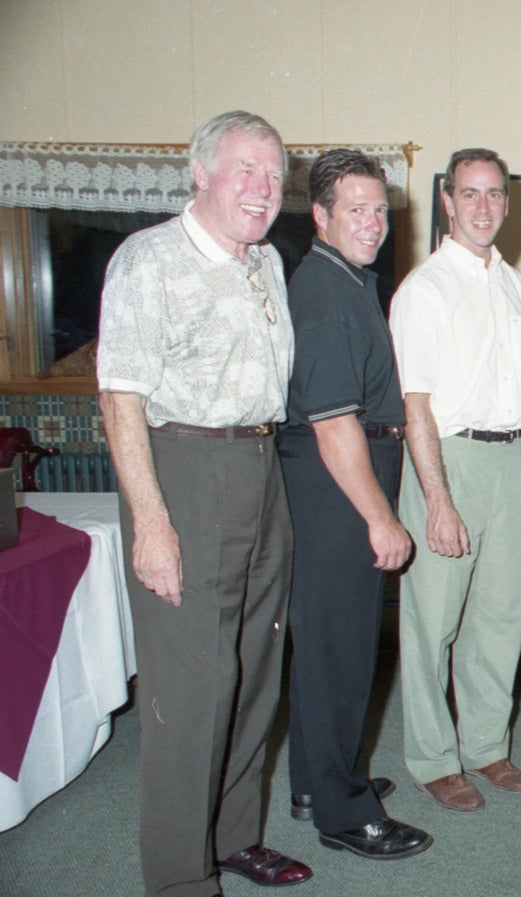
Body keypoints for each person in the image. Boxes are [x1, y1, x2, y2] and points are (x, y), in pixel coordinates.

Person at [97, 110, 313, 896]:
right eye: (245, 168)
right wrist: (152, 524)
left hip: (260, 463)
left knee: (255, 670)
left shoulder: (268, 261)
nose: (263, 187)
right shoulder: (148, 259)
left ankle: (232, 836)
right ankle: (179, 877)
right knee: (191, 689)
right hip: (184, 470)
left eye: (274, 173)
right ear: (200, 173)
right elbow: (120, 397)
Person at [278, 148, 431, 859]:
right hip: (337, 487)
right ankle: (344, 813)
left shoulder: (342, 279)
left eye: (378, 209)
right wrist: (380, 517)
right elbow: (334, 423)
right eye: (355, 210)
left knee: (326, 647)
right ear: (321, 215)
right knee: (340, 651)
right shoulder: (326, 292)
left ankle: (317, 782)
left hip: (336, 479)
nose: (372, 223)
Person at [388, 148, 521, 812]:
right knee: (433, 622)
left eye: (494, 193)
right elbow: (415, 404)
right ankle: (433, 758)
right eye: (469, 193)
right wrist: (437, 500)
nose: (483, 206)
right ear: (448, 201)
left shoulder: (518, 289)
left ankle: (485, 744)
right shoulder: (424, 290)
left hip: (510, 464)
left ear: (507, 202)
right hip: (446, 461)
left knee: (501, 618)